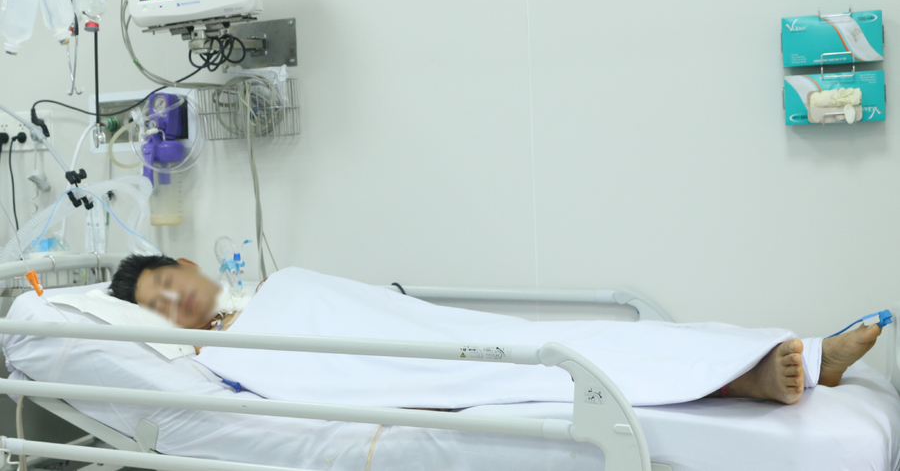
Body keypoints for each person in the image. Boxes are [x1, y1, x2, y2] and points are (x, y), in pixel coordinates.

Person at [109, 254, 883, 406]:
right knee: (546, 368)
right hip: (415, 367)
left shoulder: (278, 286)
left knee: (590, 342)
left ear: (189, 265)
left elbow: (384, 311)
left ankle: (810, 353)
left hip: (436, 332)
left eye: (167, 283)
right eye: (156, 307)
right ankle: (754, 374)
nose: (172, 301)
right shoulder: (228, 357)